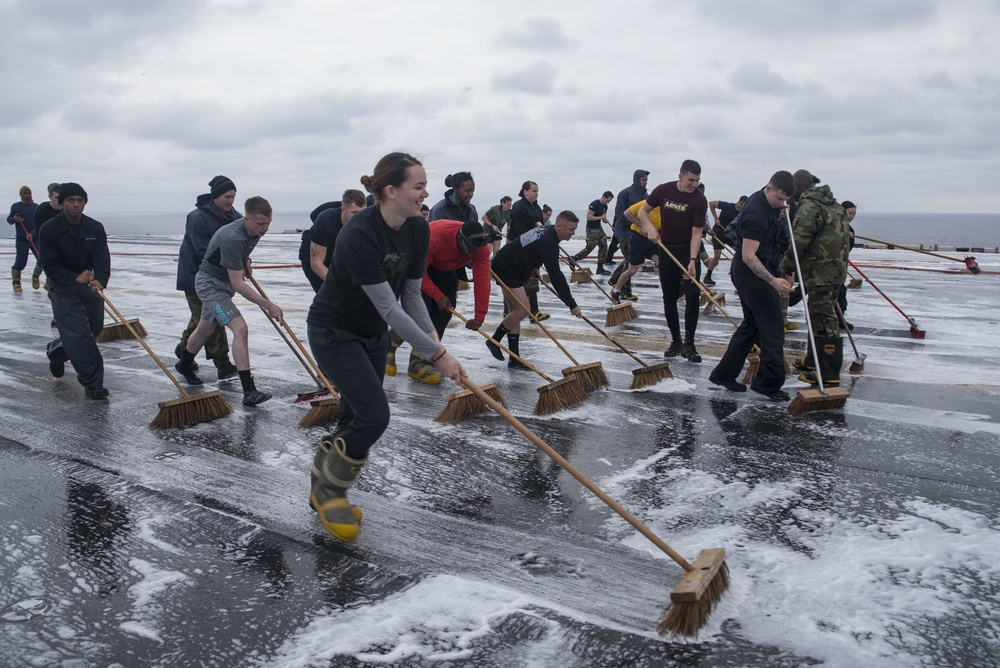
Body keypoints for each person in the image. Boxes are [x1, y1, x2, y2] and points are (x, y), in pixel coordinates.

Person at [306, 152, 464, 543]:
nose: (425, 194)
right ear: (391, 190)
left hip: (373, 334)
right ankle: (330, 491)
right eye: (419, 186)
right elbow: (387, 305)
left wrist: (432, 339)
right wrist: (436, 355)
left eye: (425, 185)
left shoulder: (416, 228)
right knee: (375, 417)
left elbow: (411, 292)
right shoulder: (359, 234)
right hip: (335, 330)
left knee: (356, 414)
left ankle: (322, 480)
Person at [175, 196, 280, 406]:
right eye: (261, 224)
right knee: (240, 328)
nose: (265, 229)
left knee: (205, 328)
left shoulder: (254, 230)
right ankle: (249, 391)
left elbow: (240, 255)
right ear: (247, 219)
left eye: (268, 223)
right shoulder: (232, 237)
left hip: (221, 283)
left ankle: (184, 364)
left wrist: (246, 260)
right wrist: (269, 305)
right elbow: (237, 284)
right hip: (211, 286)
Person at [709, 172, 796, 400]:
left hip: (754, 270)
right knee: (773, 328)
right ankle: (768, 384)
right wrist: (773, 280)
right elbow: (748, 256)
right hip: (751, 274)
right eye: (779, 198)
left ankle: (723, 374)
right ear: (768, 188)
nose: (781, 203)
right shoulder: (756, 214)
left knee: (753, 326)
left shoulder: (767, 203)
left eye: (784, 200)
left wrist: (778, 210)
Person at [386, 219, 492, 383]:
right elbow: (419, 273)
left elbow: (482, 280)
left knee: (444, 313)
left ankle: (418, 362)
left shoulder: (480, 249)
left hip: (446, 269)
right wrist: (436, 295)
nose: (472, 253)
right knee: (419, 312)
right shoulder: (435, 238)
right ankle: (388, 346)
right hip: (419, 266)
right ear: (461, 239)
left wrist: (480, 315)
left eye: (476, 249)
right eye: (470, 248)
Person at [37, 183, 110, 400]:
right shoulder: (49, 229)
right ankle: (93, 383)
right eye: (71, 200)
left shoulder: (95, 227)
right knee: (79, 335)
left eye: (80, 200)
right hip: (62, 286)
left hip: (89, 286)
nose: (76, 205)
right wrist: (72, 277)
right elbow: (48, 264)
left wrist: (100, 280)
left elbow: (103, 257)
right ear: (62, 203)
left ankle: (56, 352)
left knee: (94, 328)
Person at [780, 172, 851, 388]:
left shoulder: (810, 205)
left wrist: (786, 266)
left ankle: (828, 373)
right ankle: (813, 362)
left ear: (798, 185)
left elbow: (800, 239)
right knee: (817, 316)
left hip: (820, 272)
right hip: (835, 271)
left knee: (824, 320)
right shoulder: (836, 206)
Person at [487, 211, 583, 368]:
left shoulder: (548, 231)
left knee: (515, 312)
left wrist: (535, 266)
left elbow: (530, 246)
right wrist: (572, 305)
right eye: (571, 230)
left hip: (510, 264)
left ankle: (514, 358)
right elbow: (557, 278)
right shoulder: (549, 243)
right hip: (506, 268)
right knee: (524, 310)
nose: (573, 233)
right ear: (559, 226)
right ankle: (494, 340)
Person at [639, 160, 708, 362]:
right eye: (691, 180)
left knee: (692, 295)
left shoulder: (699, 200)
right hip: (666, 247)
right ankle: (676, 341)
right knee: (669, 297)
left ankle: (690, 344)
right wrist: (650, 228)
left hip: (688, 249)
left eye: (697, 181)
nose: (694, 184)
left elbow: (697, 234)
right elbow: (643, 212)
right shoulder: (663, 190)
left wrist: (693, 260)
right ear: (680, 176)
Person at [175, 176, 242, 380]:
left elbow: (241, 243)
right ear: (215, 196)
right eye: (226, 196)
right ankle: (222, 363)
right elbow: (202, 251)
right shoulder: (197, 218)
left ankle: (183, 349)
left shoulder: (236, 217)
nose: (230, 201)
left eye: (233, 197)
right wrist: (232, 264)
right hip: (196, 276)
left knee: (201, 319)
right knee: (215, 318)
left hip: (222, 277)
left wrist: (244, 260)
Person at [300, 190, 367, 293]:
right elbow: (316, 264)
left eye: (363, 212)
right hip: (314, 257)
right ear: (343, 209)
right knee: (333, 296)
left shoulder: (367, 221)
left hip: (339, 254)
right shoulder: (326, 221)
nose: (360, 217)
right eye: (355, 213)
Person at [609, 199, 661, 304]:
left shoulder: (669, 209)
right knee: (632, 270)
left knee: (661, 264)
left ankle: (670, 291)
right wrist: (641, 225)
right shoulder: (648, 203)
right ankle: (616, 291)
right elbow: (627, 213)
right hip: (637, 237)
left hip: (653, 238)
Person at [507, 182, 547, 319]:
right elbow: (519, 232)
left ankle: (534, 312)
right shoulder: (518, 207)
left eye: (537, 191)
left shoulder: (536, 206)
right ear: (525, 191)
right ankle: (508, 310)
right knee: (514, 278)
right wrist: (536, 230)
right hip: (517, 246)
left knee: (533, 277)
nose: (536, 193)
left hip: (532, 245)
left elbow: (540, 224)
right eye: (534, 191)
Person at [608, 169, 649, 267]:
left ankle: (615, 280)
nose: (646, 182)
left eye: (646, 180)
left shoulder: (646, 195)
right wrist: (633, 223)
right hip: (624, 230)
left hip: (637, 230)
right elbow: (619, 213)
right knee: (630, 258)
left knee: (632, 260)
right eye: (643, 180)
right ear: (637, 179)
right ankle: (623, 282)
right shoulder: (625, 193)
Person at [704, 195, 748, 285]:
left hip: (729, 234)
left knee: (739, 251)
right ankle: (708, 276)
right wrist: (716, 218)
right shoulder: (727, 206)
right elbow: (711, 203)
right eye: (745, 205)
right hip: (718, 232)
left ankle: (733, 271)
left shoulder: (742, 213)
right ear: (741, 203)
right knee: (717, 256)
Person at [7, 186, 40, 292]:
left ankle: (35, 276)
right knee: (21, 262)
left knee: (42, 259)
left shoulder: (37, 207)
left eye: (29, 193)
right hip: (22, 239)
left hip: (34, 239)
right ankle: (16, 281)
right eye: (25, 193)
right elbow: (9, 220)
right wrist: (14, 219)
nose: (27, 195)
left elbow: (39, 224)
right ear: (21, 195)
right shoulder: (16, 206)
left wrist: (32, 233)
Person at [572, 191, 613, 274]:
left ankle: (600, 268)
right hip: (591, 229)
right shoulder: (594, 204)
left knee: (604, 245)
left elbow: (603, 217)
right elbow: (589, 217)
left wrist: (605, 220)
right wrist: (600, 217)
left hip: (599, 228)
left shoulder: (605, 206)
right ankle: (574, 258)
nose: (608, 202)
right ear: (604, 197)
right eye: (608, 200)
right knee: (590, 247)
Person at [836, 200, 858, 330]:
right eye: (850, 213)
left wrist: (849, 238)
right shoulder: (834, 225)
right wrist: (843, 235)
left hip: (841, 266)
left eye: (854, 214)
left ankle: (840, 318)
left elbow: (848, 249)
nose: (852, 217)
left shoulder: (850, 230)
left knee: (841, 293)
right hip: (828, 266)